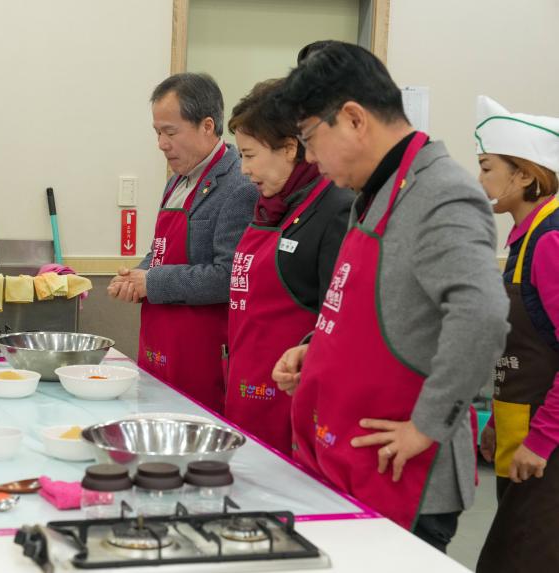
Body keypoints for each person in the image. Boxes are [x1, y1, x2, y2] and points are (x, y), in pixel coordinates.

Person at [271, 42, 509, 551]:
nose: (309, 157)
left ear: (354, 119)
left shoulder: (442, 192)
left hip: (402, 473)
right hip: (349, 458)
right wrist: (318, 347)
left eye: (312, 138)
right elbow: (379, 303)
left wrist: (427, 425)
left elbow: (482, 315)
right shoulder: (375, 189)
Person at [108, 73, 256, 413]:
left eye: (170, 132)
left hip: (199, 354)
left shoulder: (238, 184)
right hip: (158, 340)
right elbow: (160, 250)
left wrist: (153, 281)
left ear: (207, 125)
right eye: (157, 133)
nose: (161, 143)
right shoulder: (176, 181)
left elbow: (228, 276)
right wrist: (137, 275)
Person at [224, 79, 353, 453]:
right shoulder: (271, 204)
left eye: (249, 155)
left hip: (291, 406)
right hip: (245, 395)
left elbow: (340, 319)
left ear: (289, 148)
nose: (244, 169)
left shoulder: (334, 207)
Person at [474, 95, 559, 573]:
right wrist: (495, 423)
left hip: (548, 447)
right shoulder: (526, 237)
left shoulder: (551, 240)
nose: (480, 180)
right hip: (520, 435)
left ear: (525, 174)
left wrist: (541, 440)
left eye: (488, 167)